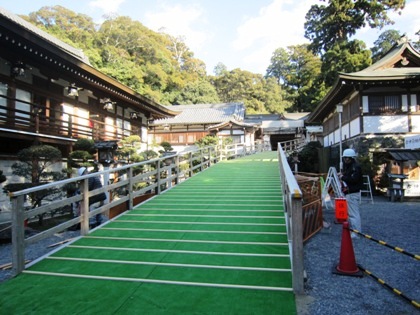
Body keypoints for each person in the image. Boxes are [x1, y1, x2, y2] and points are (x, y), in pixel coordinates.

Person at [338, 149, 363, 238]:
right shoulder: (351, 166)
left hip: (352, 193)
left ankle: (356, 232)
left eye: (347, 158)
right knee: (351, 213)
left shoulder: (355, 167)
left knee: (353, 214)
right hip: (349, 192)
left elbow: (354, 179)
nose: (345, 160)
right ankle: (354, 230)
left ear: (351, 158)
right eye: (345, 158)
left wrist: (343, 177)